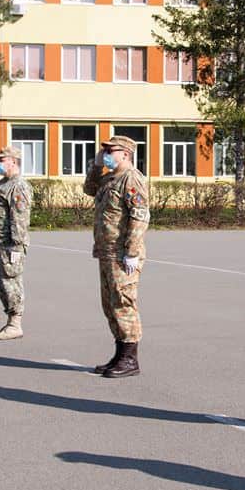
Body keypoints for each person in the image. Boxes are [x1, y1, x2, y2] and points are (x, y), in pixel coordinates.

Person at [83, 136, 150, 378]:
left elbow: (140, 216)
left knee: (123, 303)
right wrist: (96, 164)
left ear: (126, 153)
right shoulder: (110, 177)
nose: (107, 153)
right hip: (106, 251)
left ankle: (130, 358)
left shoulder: (132, 178)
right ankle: (120, 353)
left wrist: (131, 251)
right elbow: (89, 189)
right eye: (106, 150)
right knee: (110, 304)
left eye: (111, 150)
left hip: (123, 254)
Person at [0, 146, 32, 340]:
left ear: (13, 161)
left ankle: (15, 323)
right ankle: (10, 321)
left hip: (9, 243)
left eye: (2, 160)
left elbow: (20, 218)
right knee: (0, 281)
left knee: (10, 281)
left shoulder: (18, 185)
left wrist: (17, 246)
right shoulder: (3, 183)